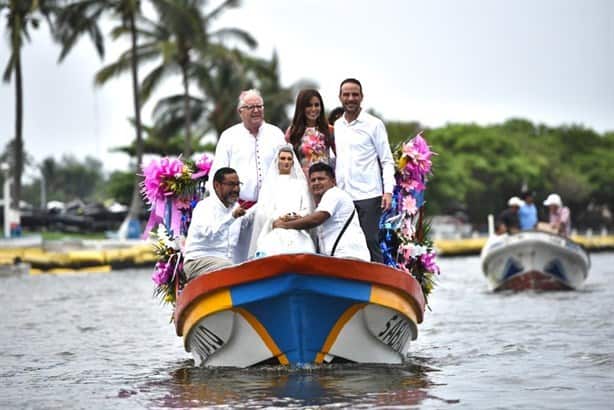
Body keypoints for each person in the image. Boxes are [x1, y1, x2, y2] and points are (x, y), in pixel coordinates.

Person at [208, 89, 285, 261]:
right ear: (240, 111)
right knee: (238, 260)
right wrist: (225, 208)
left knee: (268, 257)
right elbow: (216, 175)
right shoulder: (229, 136)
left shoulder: (276, 134)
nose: (256, 110)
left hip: (269, 209)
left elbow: (285, 170)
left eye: (259, 106)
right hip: (238, 210)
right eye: (250, 107)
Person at [333, 78, 395, 263]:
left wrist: (388, 192)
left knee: (369, 241)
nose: (350, 98)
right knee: (345, 244)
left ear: (361, 97)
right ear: (340, 97)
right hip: (344, 196)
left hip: (369, 195)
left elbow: (387, 160)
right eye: (346, 94)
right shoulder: (337, 126)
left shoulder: (374, 124)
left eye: (355, 94)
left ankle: (379, 286)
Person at [272, 163, 370, 261]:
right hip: (338, 259)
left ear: (333, 181)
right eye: (313, 180)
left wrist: (285, 225)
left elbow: (316, 219)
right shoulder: (322, 203)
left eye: (321, 179)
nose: (316, 183)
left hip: (350, 257)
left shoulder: (334, 193)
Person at [249, 145, 315, 257]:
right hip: (275, 229)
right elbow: (262, 211)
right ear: (277, 161)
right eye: (283, 158)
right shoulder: (269, 186)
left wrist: (295, 217)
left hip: (297, 229)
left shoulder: (301, 185)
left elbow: (307, 208)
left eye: (289, 159)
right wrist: (277, 220)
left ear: (293, 163)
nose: (286, 162)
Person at [183, 168, 250, 279]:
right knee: (231, 268)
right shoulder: (204, 207)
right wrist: (232, 217)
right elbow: (210, 232)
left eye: (238, 184)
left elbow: (249, 219)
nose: (236, 189)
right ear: (217, 185)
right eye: (231, 184)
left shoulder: (235, 207)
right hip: (197, 261)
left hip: (224, 262)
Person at [285, 89, 335, 175]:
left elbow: (341, 157)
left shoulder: (329, 130)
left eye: (316, 105)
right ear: (301, 107)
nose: (313, 109)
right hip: (302, 180)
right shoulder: (292, 131)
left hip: (325, 179)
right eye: (309, 105)